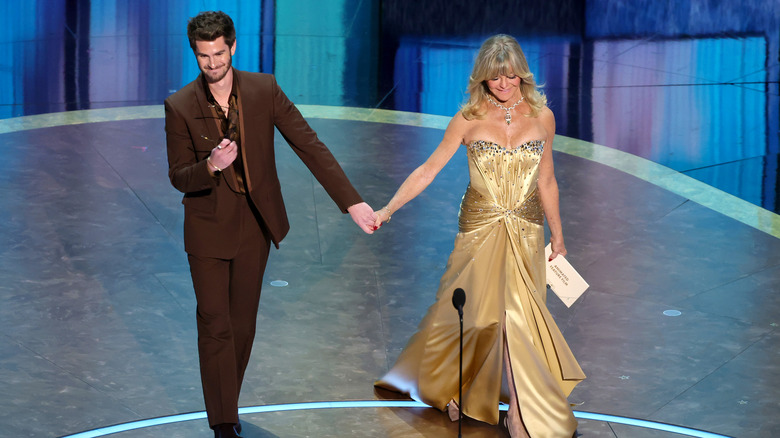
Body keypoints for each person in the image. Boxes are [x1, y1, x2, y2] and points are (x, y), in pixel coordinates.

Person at [164, 11, 376, 438]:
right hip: (207, 227)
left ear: (233, 47)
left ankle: (227, 401)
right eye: (204, 56)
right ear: (195, 53)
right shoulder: (180, 105)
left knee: (241, 326)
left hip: (254, 225)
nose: (212, 64)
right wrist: (211, 165)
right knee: (214, 322)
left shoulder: (263, 90)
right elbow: (178, 176)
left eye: (219, 53)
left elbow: (308, 144)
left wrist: (351, 202)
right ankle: (224, 421)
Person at [373, 34, 585, 437]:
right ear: (482, 79)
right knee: (474, 319)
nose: (503, 86)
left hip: (525, 234)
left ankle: (521, 412)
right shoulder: (468, 118)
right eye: (493, 79)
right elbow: (428, 170)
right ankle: (452, 383)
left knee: (516, 321)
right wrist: (387, 209)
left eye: (509, 77)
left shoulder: (543, 118)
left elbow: (547, 181)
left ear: (522, 74)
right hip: (479, 232)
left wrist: (558, 237)